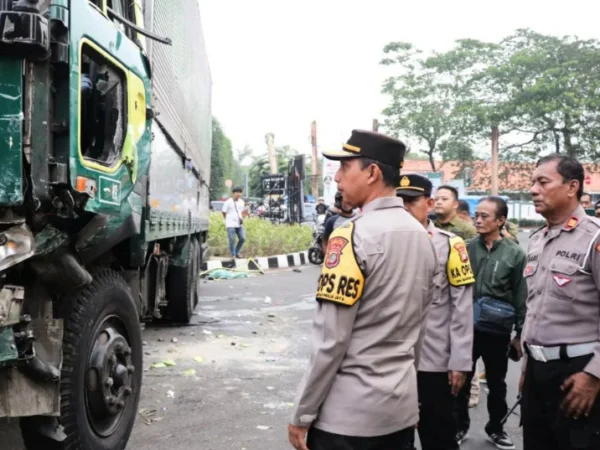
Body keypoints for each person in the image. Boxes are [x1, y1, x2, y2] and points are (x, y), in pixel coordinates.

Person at [288, 130, 437, 450]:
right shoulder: (422, 237)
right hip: (399, 411)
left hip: (348, 420)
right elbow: (419, 332)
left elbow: (331, 341)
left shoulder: (350, 237)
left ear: (372, 173)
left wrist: (302, 412)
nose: (338, 178)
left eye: (345, 167)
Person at [520, 154, 600, 450]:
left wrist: (594, 375)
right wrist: (528, 366)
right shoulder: (536, 239)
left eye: (543, 182)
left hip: (579, 374)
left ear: (572, 187)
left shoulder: (594, 238)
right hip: (538, 374)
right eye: (532, 182)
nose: (533, 189)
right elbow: (535, 308)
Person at [397, 174, 474, 450]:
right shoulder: (388, 242)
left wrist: (460, 361)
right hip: (393, 361)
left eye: (411, 201)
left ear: (428, 203)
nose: (404, 208)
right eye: (399, 202)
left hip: (434, 363)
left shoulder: (451, 245)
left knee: (438, 435)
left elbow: (462, 307)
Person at [455, 196, 526, 450]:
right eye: (477, 215)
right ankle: (460, 425)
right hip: (467, 327)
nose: (478, 219)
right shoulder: (465, 248)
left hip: (497, 330)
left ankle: (496, 428)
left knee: (497, 382)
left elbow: (521, 294)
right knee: (461, 378)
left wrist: (520, 333)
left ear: (501, 220)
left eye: (485, 216)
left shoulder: (515, 253)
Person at [221, 187, 247, 258]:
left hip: (239, 224)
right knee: (232, 239)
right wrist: (227, 219)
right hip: (230, 224)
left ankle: (237, 252)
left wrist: (243, 217)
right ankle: (233, 254)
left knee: (243, 238)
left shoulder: (242, 202)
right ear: (234, 193)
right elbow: (224, 212)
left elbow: (243, 212)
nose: (238, 194)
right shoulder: (228, 202)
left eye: (240, 192)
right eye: (237, 192)